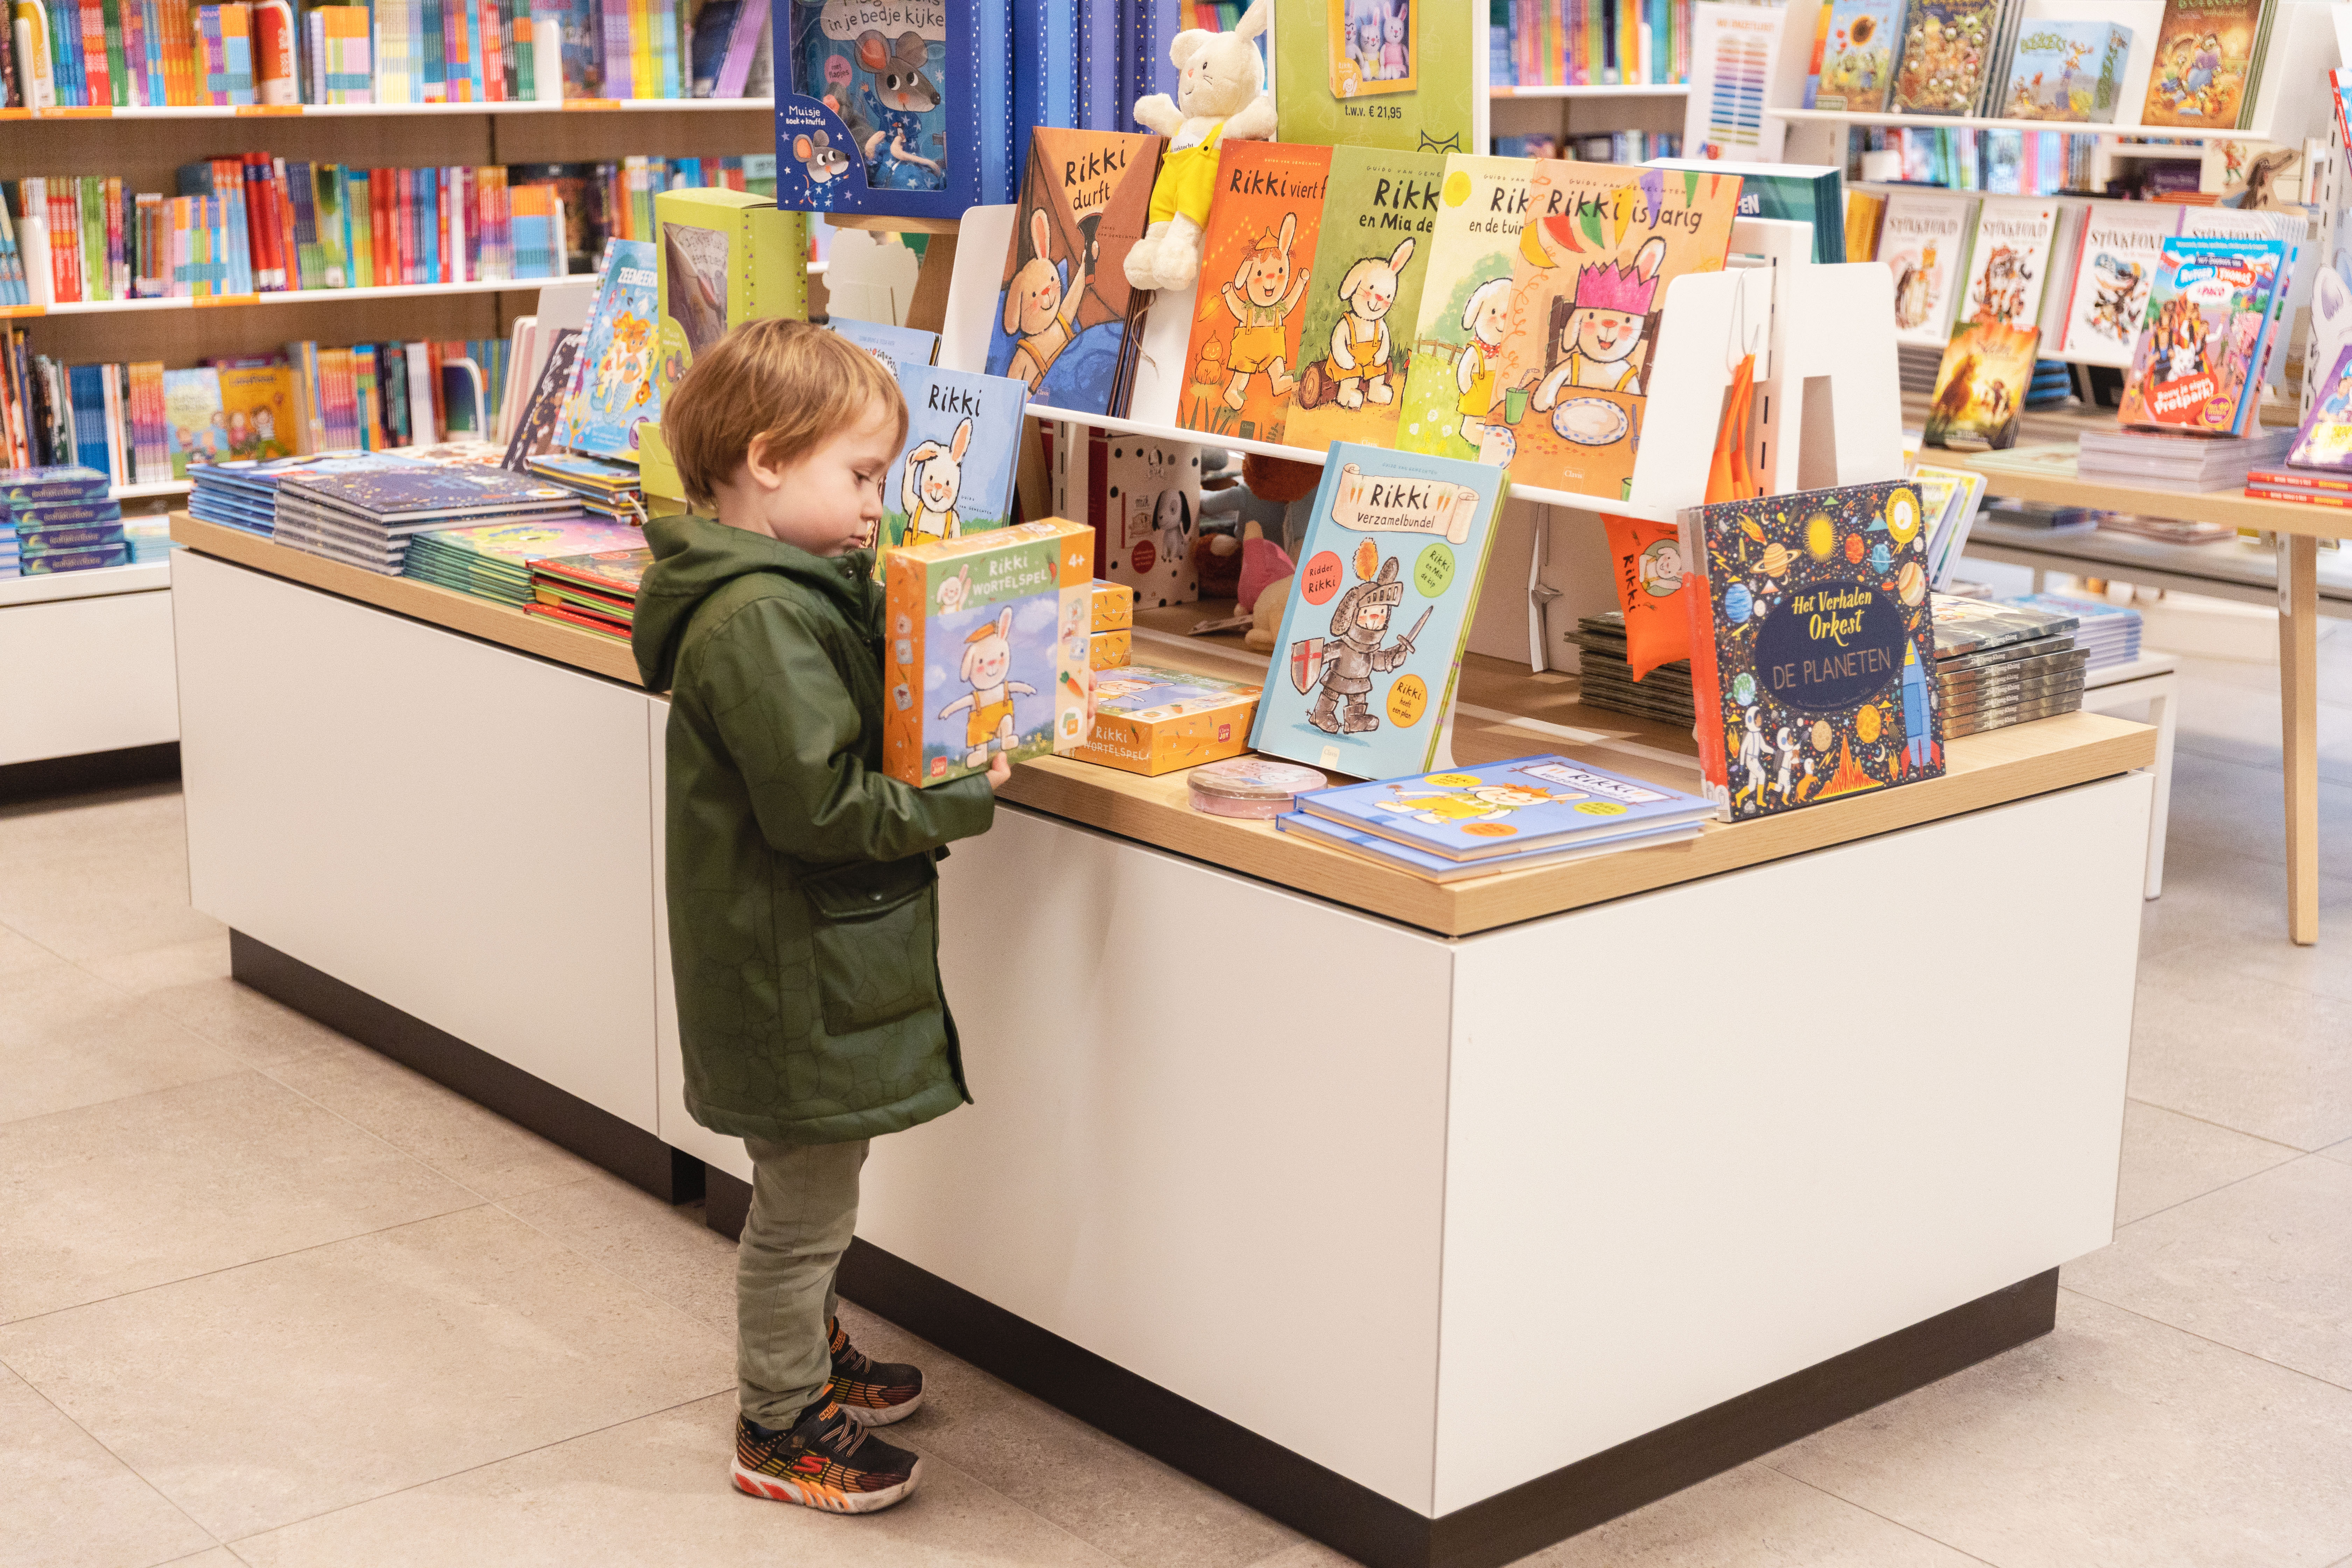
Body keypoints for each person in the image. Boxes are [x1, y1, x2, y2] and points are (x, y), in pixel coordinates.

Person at [632, 318, 1009, 1514]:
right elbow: (822, 809)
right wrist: (958, 795)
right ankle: (778, 1420)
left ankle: (812, 1355)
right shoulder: (757, 622)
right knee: (801, 1209)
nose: (874, 504)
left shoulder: (789, 592)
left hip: (793, 954)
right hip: (785, 965)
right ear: (765, 460)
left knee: (819, 1187)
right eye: (859, 475)